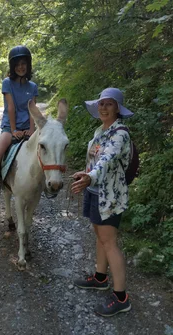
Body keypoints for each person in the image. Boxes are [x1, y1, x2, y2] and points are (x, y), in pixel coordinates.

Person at [71, 87, 134, 317]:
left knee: (110, 242)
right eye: (101, 103)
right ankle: (100, 277)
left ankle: (121, 297)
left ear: (117, 108)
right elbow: (95, 159)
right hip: (95, 191)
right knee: (99, 236)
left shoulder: (120, 134)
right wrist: (85, 173)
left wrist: (91, 176)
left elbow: (107, 160)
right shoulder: (99, 130)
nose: (103, 107)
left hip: (110, 196)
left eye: (109, 103)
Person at [0, 45, 38, 202]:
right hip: (10, 127)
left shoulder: (33, 87)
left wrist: (31, 130)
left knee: (45, 151)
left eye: (23, 64)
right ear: (13, 66)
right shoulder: (7, 83)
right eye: (17, 64)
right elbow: (11, 107)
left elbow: (32, 110)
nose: (21, 67)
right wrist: (14, 130)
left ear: (28, 65)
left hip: (28, 128)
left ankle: (45, 185)